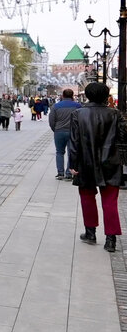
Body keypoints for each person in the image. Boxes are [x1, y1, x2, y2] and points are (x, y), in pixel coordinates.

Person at [68, 81, 124, 252]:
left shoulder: (78, 114)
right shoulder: (116, 114)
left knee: (87, 197)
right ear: (106, 96)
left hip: (86, 162)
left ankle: (90, 232)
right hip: (111, 162)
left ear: (87, 95)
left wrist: (73, 164)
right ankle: (111, 239)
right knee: (110, 201)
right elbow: (122, 138)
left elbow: (74, 142)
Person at [50, 88, 81, 179]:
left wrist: (55, 129)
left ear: (62, 95)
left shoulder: (56, 106)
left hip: (59, 131)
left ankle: (60, 173)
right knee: (71, 153)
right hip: (73, 132)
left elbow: (51, 120)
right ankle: (69, 173)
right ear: (72, 96)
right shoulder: (78, 106)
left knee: (59, 152)